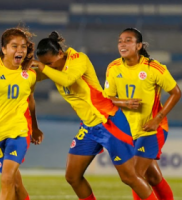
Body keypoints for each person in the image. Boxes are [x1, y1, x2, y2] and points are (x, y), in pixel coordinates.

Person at [28, 31, 159, 200]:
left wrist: (42, 66)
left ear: (60, 54)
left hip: (108, 121)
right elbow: (33, 76)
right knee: (72, 176)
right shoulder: (54, 66)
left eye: (51, 64)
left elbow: (67, 79)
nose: (49, 68)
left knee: (129, 177)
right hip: (89, 127)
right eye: (47, 65)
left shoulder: (78, 59)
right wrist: (11, 66)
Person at [104, 28, 181, 200]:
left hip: (153, 129)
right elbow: (107, 99)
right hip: (128, 131)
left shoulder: (153, 68)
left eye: (128, 40)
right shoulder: (113, 67)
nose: (122, 44)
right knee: (152, 177)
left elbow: (176, 92)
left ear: (139, 45)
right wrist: (124, 103)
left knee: (134, 175)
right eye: (120, 41)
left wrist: (157, 119)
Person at [0, 27, 44, 200]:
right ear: (4, 49)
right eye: (14, 46)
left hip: (19, 132)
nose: (20, 50)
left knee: (7, 178)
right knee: (15, 184)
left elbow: (30, 101)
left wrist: (36, 127)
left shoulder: (30, 74)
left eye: (23, 47)